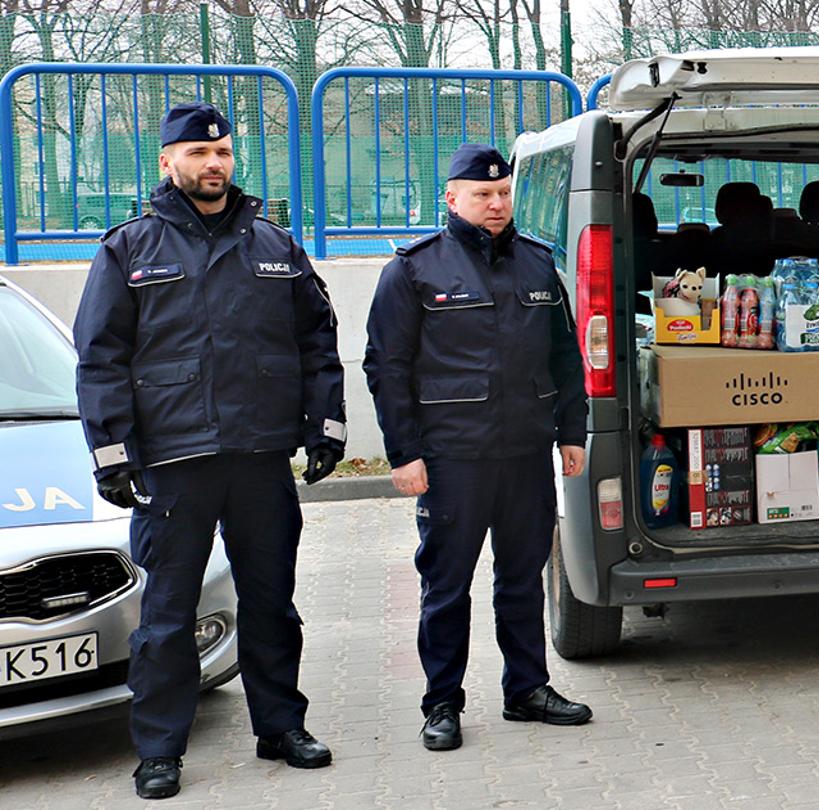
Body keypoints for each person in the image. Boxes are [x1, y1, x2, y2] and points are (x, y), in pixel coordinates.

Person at [73, 102, 345, 800]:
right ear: (167, 163)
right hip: (173, 464)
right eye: (196, 153)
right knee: (167, 615)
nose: (213, 164)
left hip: (259, 458)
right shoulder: (129, 249)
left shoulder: (275, 245)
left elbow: (318, 341)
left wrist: (325, 425)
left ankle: (281, 727)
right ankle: (159, 749)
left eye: (221, 152)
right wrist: (112, 452)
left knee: (272, 604)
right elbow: (100, 356)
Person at [364, 144, 594, 751]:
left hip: (524, 455)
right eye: (481, 195)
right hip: (451, 459)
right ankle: (442, 703)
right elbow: (387, 368)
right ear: (452, 198)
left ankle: (528, 690)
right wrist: (403, 454)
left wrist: (573, 432)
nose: (495, 205)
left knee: (523, 580)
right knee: (446, 587)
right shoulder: (414, 270)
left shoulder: (538, 265)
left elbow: (565, 358)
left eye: (502, 194)